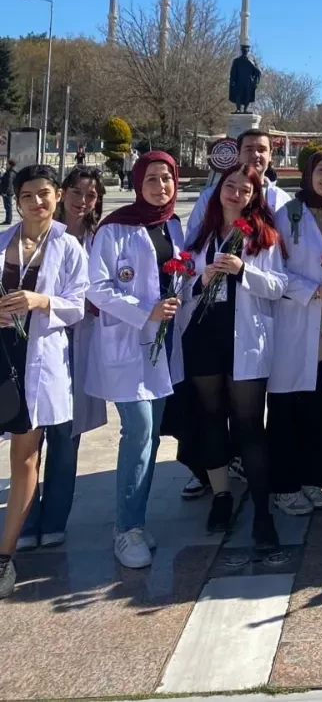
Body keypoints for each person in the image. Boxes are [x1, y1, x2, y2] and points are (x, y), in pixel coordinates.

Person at [177, 164, 285, 548]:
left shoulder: (264, 237)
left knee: (249, 426)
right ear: (219, 189)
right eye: (230, 185)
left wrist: (243, 271)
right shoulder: (201, 235)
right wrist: (200, 280)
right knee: (211, 419)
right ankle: (221, 496)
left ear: (254, 197)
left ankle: (262, 512)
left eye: (245, 189)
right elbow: (180, 282)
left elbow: (279, 286)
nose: (236, 193)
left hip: (245, 340)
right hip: (204, 336)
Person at [86, 152, 185, 569]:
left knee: (152, 434)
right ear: (137, 183)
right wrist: (146, 311)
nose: (160, 187)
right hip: (127, 343)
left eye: (166, 179)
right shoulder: (115, 227)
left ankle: (136, 520)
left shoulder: (173, 224)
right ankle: (126, 528)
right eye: (151, 180)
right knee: (139, 430)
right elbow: (96, 287)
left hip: (163, 345)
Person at [0, 165, 89, 599]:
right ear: (17, 201)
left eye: (44, 194)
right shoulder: (2, 241)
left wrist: (41, 300)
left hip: (35, 360)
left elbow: (78, 305)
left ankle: (5, 554)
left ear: (57, 196)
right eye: (28, 195)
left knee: (25, 458)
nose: (37, 202)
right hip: (2, 353)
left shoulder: (68, 246)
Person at [18, 167, 107, 552]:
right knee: (28, 437)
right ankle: (25, 519)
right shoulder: (28, 236)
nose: (82, 200)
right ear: (62, 192)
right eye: (76, 191)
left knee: (66, 436)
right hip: (35, 343)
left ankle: (54, 519)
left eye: (91, 194)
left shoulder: (98, 237)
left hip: (79, 343)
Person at [267, 151, 322, 516]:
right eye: (321, 170)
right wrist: (313, 290)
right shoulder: (286, 214)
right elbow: (275, 270)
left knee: (317, 408)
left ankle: (310, 479)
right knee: (286, 411)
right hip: (294, 322)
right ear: (307, 172)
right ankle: (284, 487)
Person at [186, 130, 291, 244]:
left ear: (270, 155)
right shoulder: (212, 196)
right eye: (249, 149)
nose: (255, 155)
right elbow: (192, 238)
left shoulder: (282, 199)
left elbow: (289, 241)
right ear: (238, 154)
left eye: (262, 150)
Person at [1, 159, 16, 225]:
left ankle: (8, 220)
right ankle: (8, 220)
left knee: (8, 207)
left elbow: (9, 183)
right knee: (7, 206)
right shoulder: (10, 172)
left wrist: (5, 192)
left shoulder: (10, 173)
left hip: (7, 193)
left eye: (7, 164)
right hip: (8, 192)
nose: (6, 165)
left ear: (10, 165)